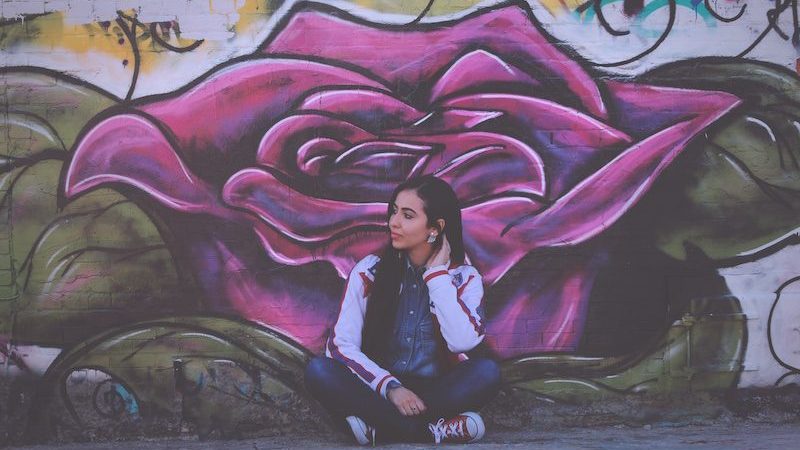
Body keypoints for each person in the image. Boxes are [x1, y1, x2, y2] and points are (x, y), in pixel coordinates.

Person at [304, 175, 502, 445]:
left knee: (487, 372)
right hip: (378, 388)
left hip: (437, 391)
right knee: (319, 370)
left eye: (408, 215)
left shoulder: (464, 278)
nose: (393, 222)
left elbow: (463, 342)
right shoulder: (369, 271)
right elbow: (341, 346)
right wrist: (391, 388)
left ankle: (381, 429)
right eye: (394, 211)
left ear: (435, 228)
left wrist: (436, 275)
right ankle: (432, 431)